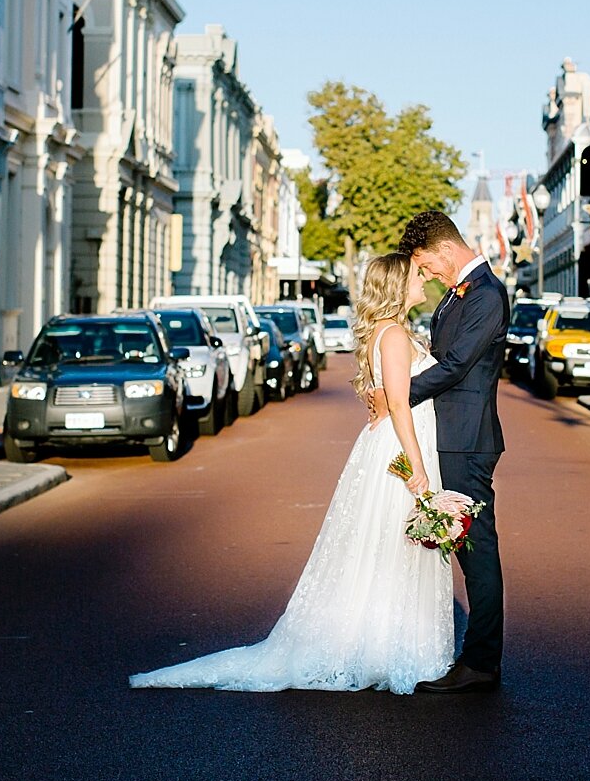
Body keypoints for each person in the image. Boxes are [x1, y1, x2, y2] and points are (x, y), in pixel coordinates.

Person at [128, 253, 452, 694]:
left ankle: (382, 641)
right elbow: (397, 404)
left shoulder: (387, 331)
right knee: (394, 546)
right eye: (416, 275)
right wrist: (418, 469)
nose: (423, 281)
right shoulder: (393, 334)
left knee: (382, 549)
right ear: (397, 285)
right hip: (399, 450)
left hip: (389, 445)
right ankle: (384, 646)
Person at [398, 209, 509, 693]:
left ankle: (481, 661)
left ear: (445, 249)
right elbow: (446, 353)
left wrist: (399, 395)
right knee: (460, 546)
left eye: (424, 264)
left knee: (475, 549)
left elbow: (459, 364)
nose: (425, 274)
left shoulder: (486, 294)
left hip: (466, 441)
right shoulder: (459, 294)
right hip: (448, 435)